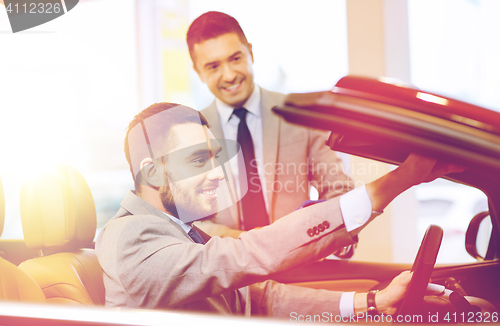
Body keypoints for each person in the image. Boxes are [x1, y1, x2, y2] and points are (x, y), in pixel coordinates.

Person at [95, 103, 464, 319]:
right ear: (153, 172)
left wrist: (371, 302)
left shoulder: (179, 230)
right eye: (197, 160)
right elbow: (244, 255)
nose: (215, 175)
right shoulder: (128, 237)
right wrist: (398, 181)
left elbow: (261, 299)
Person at [186, 11, 354, 238]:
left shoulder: (299, 114)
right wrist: (245, 241)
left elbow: (337, 190)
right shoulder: (190, 133)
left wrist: (338, 238)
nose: (229, 75)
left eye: (235, 59)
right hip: (227, 266)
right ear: (198, 72)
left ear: (251, 53)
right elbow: (187, 222)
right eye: (213, 66)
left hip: (299, 262)